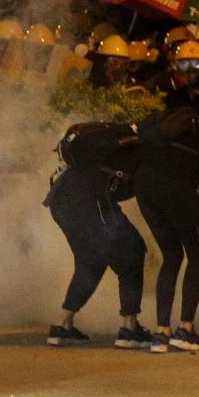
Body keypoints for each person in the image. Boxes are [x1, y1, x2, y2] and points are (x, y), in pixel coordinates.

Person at [133, 106, 199, 354]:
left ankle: (161, 334)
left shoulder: (187, 124)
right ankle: (185, 330)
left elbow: (197, 205)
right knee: (196, 254)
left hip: (144, 182)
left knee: (171, 256)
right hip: (174, 184)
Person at [45, 125, 151, 349]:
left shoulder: (108, 141)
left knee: (91, 260)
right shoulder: (142, 147)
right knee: (132, 251)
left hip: (60, 199)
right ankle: (129, 329)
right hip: (91, 200)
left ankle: (63, 326)